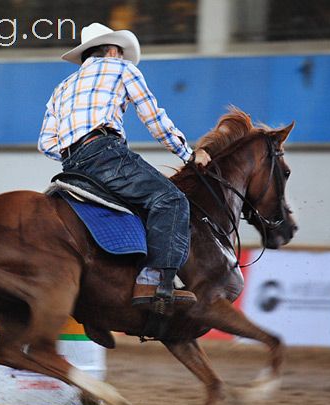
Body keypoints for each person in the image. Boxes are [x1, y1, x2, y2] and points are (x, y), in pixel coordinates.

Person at [38, 23, 211, 331]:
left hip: (72, 166)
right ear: (114, 50)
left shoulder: (61, 88)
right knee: (170, 200)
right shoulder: (121, 69)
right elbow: (154, 118)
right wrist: (188, 154)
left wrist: (74, 153)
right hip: (106, 153)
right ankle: (153, 280)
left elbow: (46, 143)